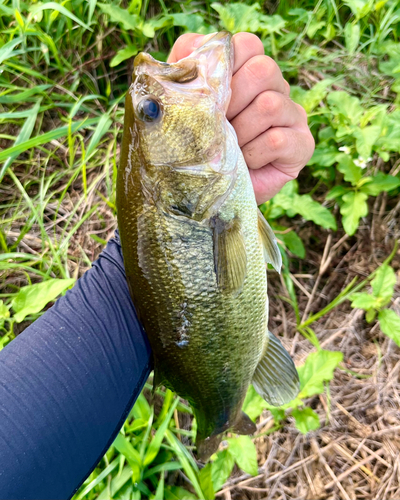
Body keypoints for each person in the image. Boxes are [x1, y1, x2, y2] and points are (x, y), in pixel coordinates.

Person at [0, 33, 314, 500]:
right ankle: (220, 420)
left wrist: (125, 290)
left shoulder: (200, 196)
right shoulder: (199, 197)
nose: (148, 82)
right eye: (152, 114)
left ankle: (218, 418)